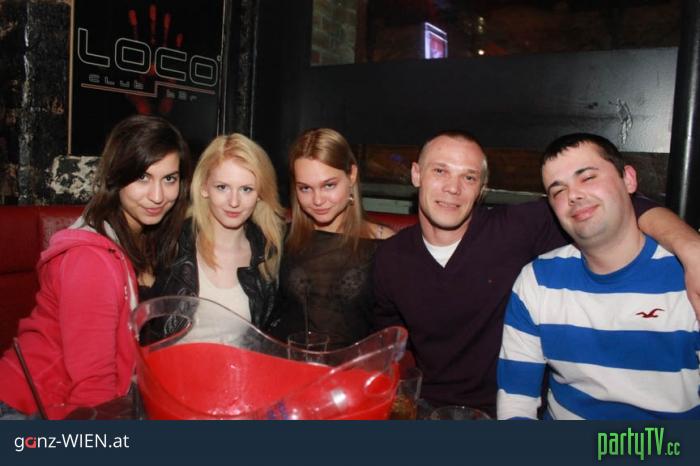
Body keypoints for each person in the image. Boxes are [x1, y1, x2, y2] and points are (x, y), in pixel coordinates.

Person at [372, 130, 700, 418]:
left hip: (504, 410)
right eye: (440, 171)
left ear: (482, 188)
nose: (453, 188)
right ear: (416, 174)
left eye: (469, 177)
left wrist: (689, 245)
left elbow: (617, 206)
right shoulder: (390, 258)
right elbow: (388, 348)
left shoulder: (515, 229)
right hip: (427, 410)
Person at [0, 115, 191, 419]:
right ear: (117, 176)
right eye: (143, 177)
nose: (158, 196)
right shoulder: (92, 261)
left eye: (169, 179)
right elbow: (92, 389)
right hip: (27, 407)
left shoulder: (144, 237)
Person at [497, 133, 700, 420]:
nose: (573, 195)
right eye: (558, 191)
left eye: (588, 177)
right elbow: (517, 401)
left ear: (628, 180)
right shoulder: (537, 281)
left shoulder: (689, 275)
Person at [269, 128, 395, 348]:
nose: (318, 200)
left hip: (354, 366)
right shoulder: (282, 238)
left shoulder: (384, 244)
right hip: (287, 361)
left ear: (351, 175)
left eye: (329, 185)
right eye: (305, 188)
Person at [150, 134, 285, 328]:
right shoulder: (170, 241)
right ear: (204, 187)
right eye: (222, 187)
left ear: (260, 194)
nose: (234, 202)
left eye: (246, 189)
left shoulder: (269, 253)